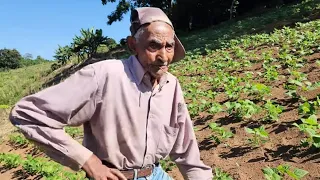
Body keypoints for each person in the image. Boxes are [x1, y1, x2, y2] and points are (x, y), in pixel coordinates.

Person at [9, 7, 213, 180]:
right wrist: (88, 161)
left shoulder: (171, 85)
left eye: (169, 47)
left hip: (155, 173)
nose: (163, 56)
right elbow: (27, 113)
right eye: (154, 45)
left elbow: (186, 149)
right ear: (133, 45)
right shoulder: (104, 75)